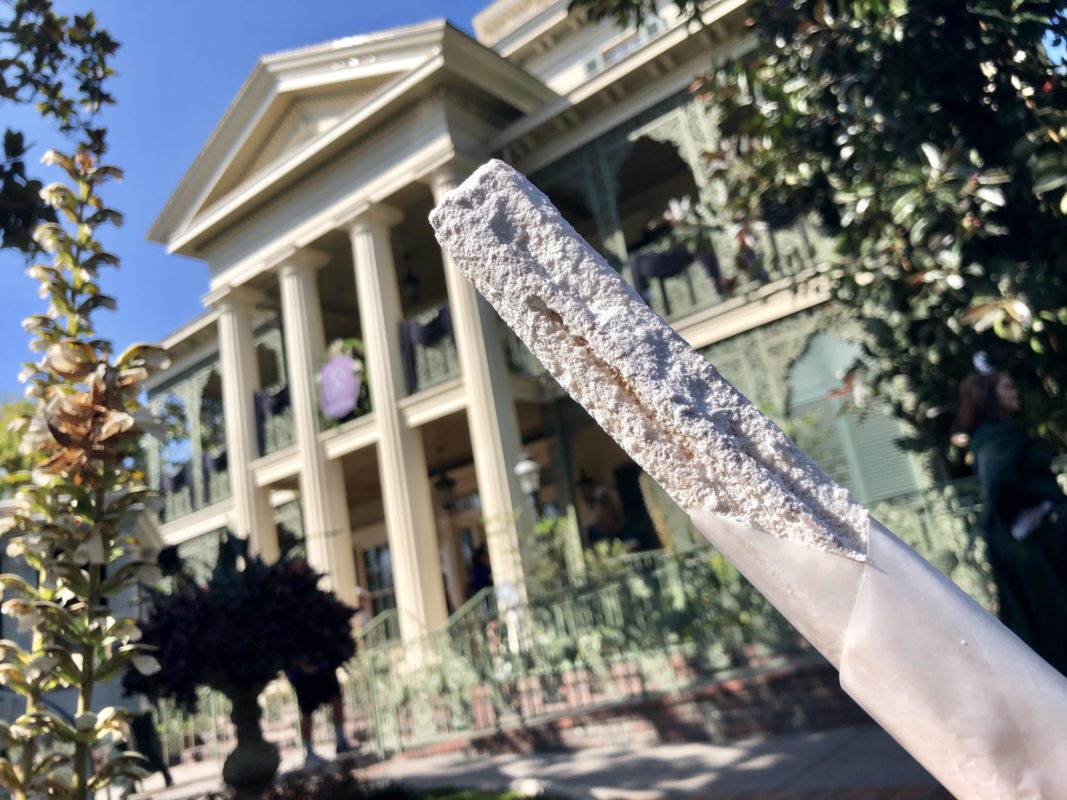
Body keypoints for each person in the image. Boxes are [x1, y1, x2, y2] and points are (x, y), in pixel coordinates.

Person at [957, 362, 1067, 675]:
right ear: (988, 397)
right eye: (1006, 387)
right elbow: (999, 487)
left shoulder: (997, 433)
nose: (1014, 391)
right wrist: (1040, 513)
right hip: (1030, 544)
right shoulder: (995, 436)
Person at [286, 657, 352, 767]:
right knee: (306, 712)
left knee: (337, 698)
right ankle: (309, 752)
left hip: (323, 667)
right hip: (300, 675)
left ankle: (342, 743)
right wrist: (300, 667)